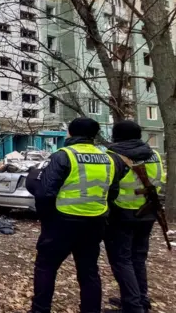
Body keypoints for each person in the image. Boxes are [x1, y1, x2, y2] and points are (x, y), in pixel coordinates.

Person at [28, 117, 127, 313]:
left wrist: (46, 218)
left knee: (46, 267)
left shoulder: (64, 155)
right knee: (89, 271)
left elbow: (46, 192)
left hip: (62, 222)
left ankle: (40, 309)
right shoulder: (109, 158)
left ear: (70, 133)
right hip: (94, 222)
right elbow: (113, 192)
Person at [103, 120, 165, 313]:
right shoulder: (154, 154)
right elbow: (160, 179)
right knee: (138, 258)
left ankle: (132, 305)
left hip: (121, 213)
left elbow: (107, 187)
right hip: (148, 212)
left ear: (116, 136)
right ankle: (140, 299)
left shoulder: (112, 157)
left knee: (122, 260)